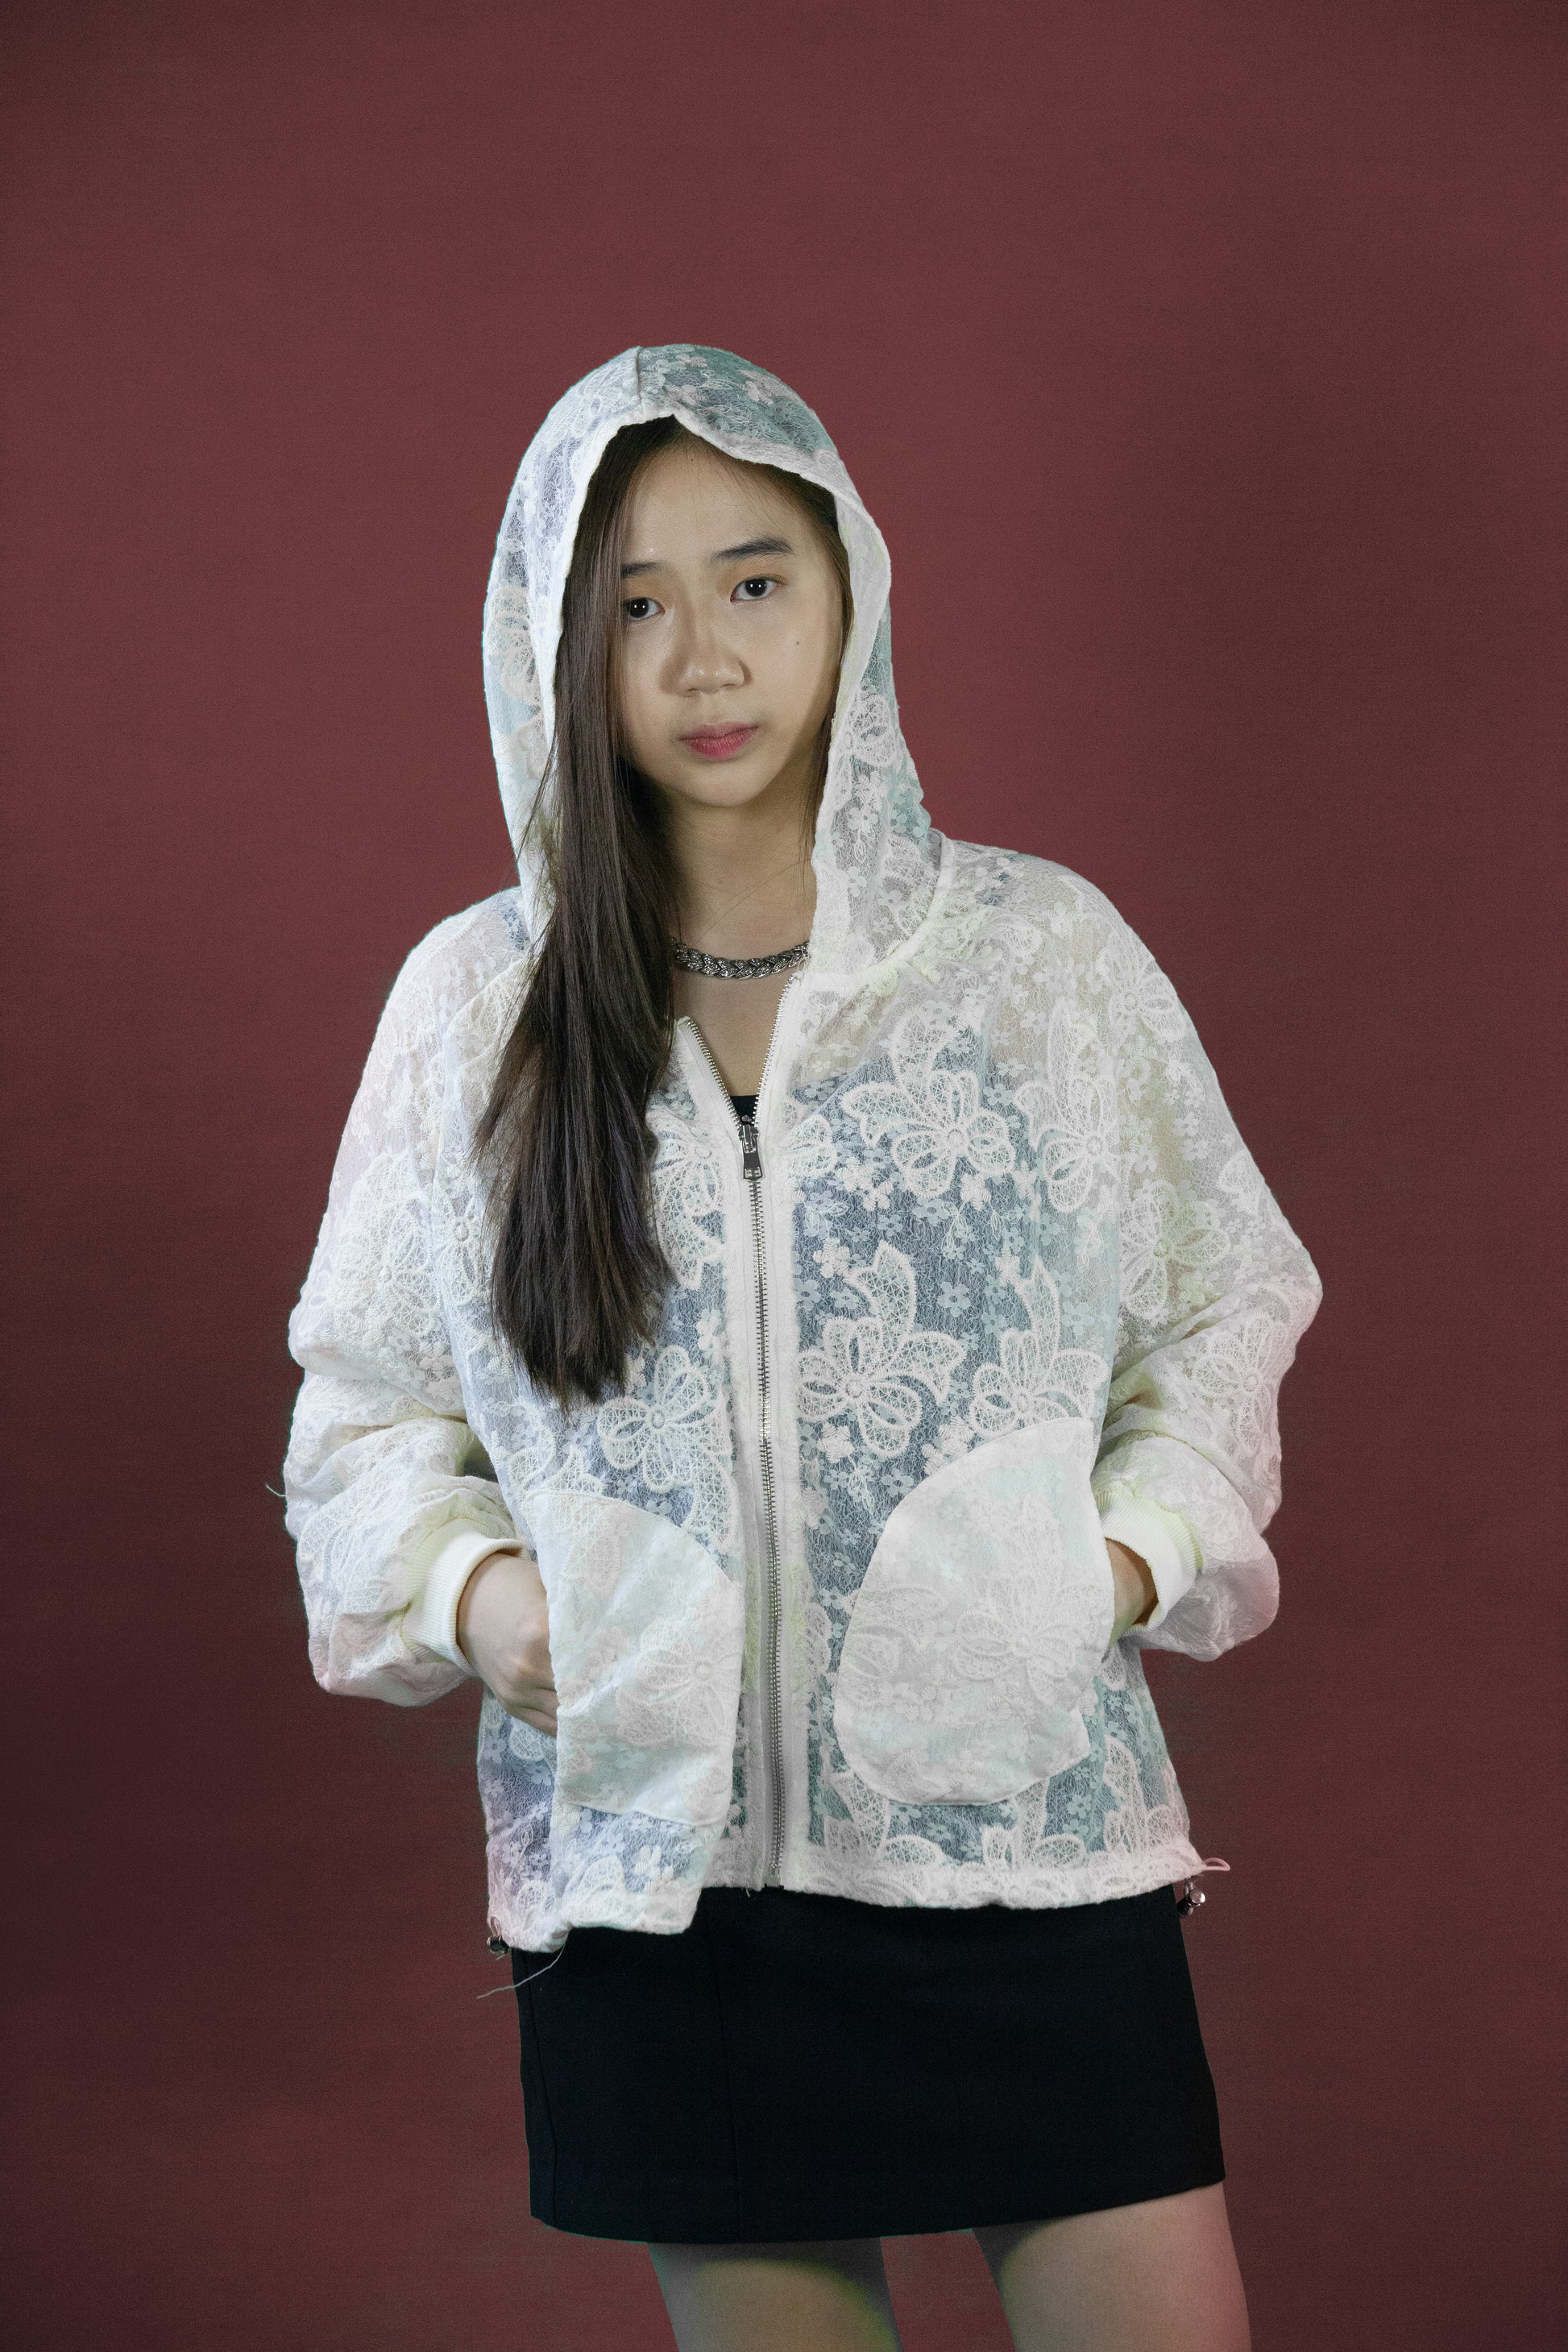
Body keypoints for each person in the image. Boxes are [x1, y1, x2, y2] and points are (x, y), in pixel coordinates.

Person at [283, 344, 1321, 2352]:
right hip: (662, 1890)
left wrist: (1112, 1564)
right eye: (635, 604)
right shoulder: (477, 1004)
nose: (704, 658)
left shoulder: (1037, 961)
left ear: (851, 588)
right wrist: (480, 1598)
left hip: (1016, 1843)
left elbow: (1222, 1303)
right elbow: (364, 1404)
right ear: (559, 649)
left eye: (754, 579)